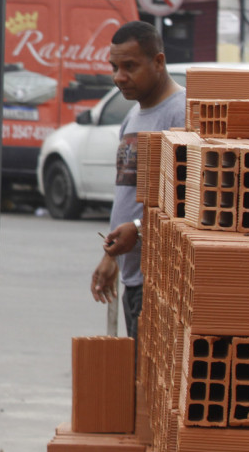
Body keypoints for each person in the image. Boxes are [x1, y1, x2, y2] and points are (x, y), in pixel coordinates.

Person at [90, 20, 185, 339]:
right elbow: (128, 198)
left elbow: (189, 202)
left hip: (164, 282)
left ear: (158, 62)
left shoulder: (180, 115)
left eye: (130, 66)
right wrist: (111, 257)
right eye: (114, 67)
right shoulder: (132, 117)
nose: (119, 77)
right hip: (134, 277)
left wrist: (140, 231)